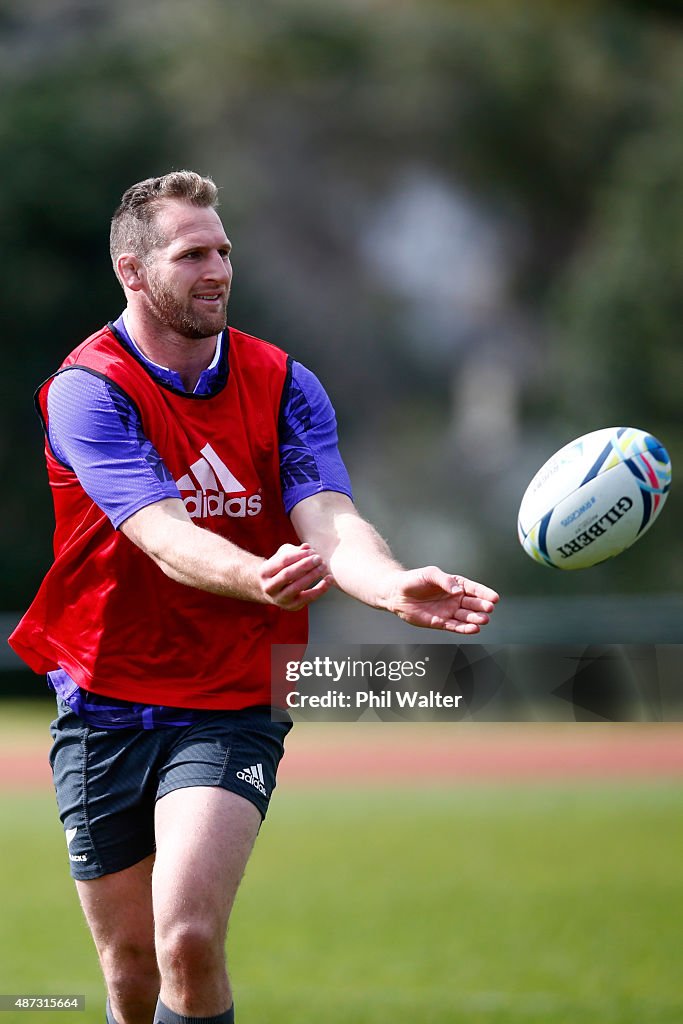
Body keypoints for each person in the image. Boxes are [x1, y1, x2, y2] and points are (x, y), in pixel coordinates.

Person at [9, 170, 499, 1024]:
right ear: (132, 270)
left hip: (231, 697)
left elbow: (329, 518)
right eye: (191, 253)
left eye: (224, 251)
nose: (217, 270)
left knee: (187, 939)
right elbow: (160, 533)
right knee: (129, 973)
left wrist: (390, 587)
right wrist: (254, 573)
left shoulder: (282, 384)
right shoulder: (89, 390)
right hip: (102, 698)